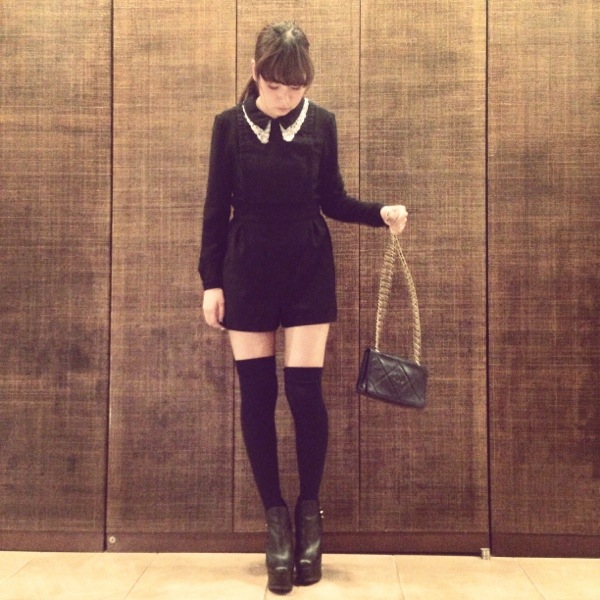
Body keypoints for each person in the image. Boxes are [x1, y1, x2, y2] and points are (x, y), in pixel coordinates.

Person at [199, 21, 407, 594]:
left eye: (295, 88)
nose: (284, 98)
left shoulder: (321, 122)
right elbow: (215, 208)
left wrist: (379, 213)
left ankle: (309, 514)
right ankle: (275, 521)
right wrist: (210, 282)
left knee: (304, 392)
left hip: (308, 267)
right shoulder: (227, 126)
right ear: (255, 73)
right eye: (274, 87)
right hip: (245, 269)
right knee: (257, 395)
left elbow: (331, 198)